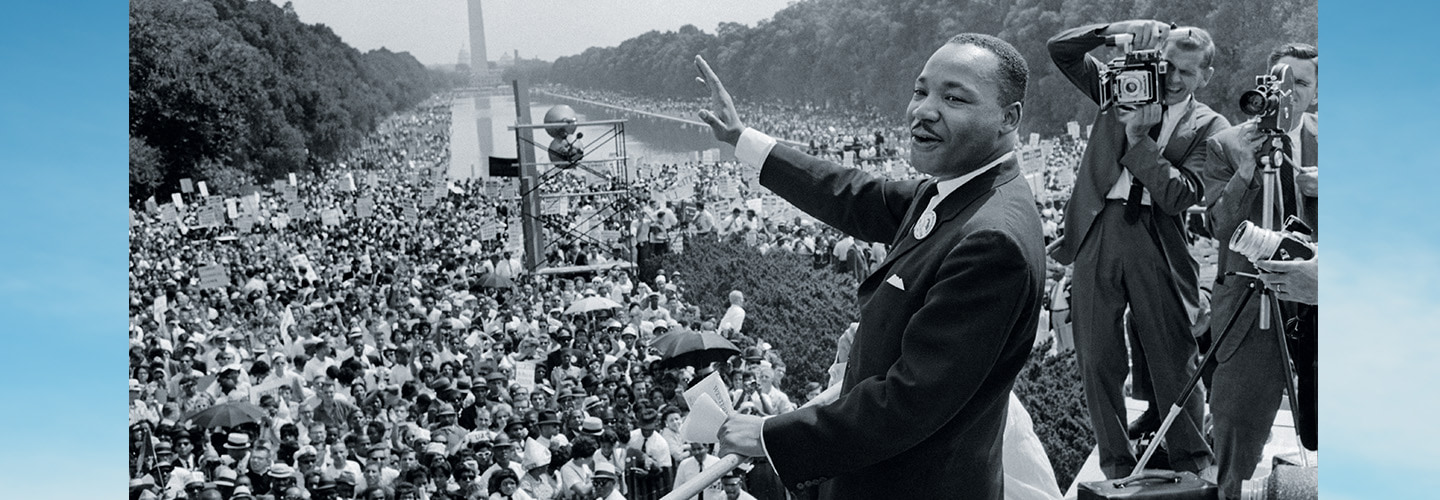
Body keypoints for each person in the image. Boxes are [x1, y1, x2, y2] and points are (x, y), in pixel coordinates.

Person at [696, 32, 1046, 498]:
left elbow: (909, 402)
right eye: (920, 91)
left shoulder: (991, 240)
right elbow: (854, 195)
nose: (923, 110)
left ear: (1009, 118)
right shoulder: (957, 191)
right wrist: (744, 140)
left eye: (954, 98)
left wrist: (768, 434)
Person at [1047, 19, 1228, 479]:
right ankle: (1116, 465)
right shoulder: (1122, 86)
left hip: (1157, 237)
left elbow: (1181, 195)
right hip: (1097, 228)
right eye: (1167, 65)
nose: (1171, 78)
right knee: (1096, 356)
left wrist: (1137, 141)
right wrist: (1116, 30)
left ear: (1205, 76)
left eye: (1186, 72)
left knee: (1173, 356)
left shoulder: (1211, 126)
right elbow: (1062, 50)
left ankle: (1192, 461)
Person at [1201, 42, 1319, 500]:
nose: (1289, 92)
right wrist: (1246, 170)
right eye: (1281, 81)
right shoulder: (1227, 144)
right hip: (1248, 305)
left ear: (1314, 92)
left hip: (1319, 298)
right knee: (1235, 431)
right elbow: (1220, 226)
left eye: (1302, 83)